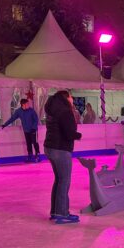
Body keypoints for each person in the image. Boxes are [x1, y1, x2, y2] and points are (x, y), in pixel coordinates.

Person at [44, 90, 82, 224]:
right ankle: (61, 213)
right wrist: (78, 136)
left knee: (59, 180)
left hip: (50, 148)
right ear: (66, 98)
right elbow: (69, 133)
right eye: (71, 96)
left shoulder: (54, 110)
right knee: (64, 181)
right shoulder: (65, 112)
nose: (72, 98)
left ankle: (56, 211)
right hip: (60, 149)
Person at [2, 98, 41, 163]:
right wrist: (5, 124)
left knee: (35, 142)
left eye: (28, 104)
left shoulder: (32, 111)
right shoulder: (18, 111)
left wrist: (34, 128)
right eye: (27, 104)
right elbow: (12, 118)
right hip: (26, 130)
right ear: (23, 105)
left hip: (33, 130)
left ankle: (37, 155)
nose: (28, 105)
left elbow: (36, 119)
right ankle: (30, 155)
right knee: (28, 143)